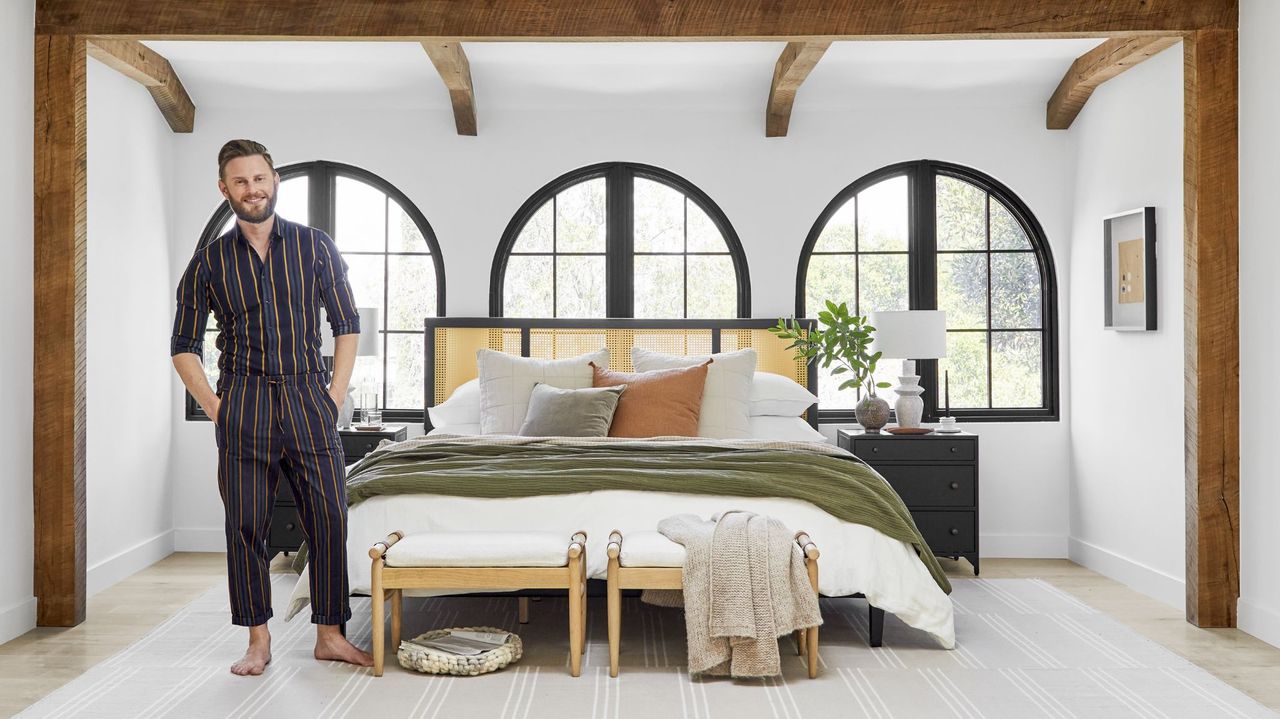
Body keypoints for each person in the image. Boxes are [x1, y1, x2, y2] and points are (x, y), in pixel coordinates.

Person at [170, 139, 373, 675]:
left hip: (309, 396)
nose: (252, 189)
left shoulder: (315, 246)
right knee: (246, 525)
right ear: (225, 189)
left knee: (329, 515)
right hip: (244, 400)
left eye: (259, 178)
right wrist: (217, 407)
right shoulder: (209, 261)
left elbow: (348, 323)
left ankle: (330, 633)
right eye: (240, 181)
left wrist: (334, 395)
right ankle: (257, 641)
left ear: (275, 180)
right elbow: (183, 346)